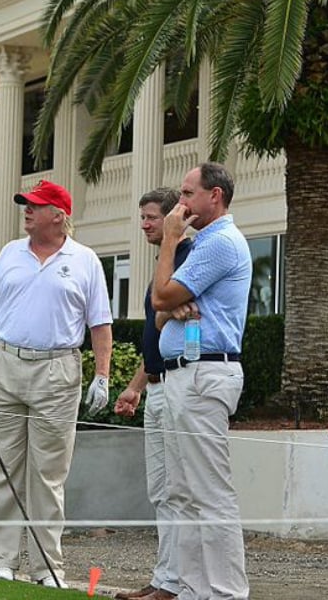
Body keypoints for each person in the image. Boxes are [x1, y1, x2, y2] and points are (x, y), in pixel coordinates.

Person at [0, 179, 113, 589]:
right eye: (26, 205)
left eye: (35, 206)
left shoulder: (84, 260)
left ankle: (48, 568)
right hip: (6, 364)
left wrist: (103, 375)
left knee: (48, 475)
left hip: (57, 372)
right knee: (0, 468)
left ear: (58, 215)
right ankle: (2, 561)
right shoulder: (10, 253)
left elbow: (100, 323)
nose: (26, 211)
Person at [151, 163, 252, 600]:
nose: (180, 204)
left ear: (216, 196)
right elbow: (160, 311)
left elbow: (161, 294)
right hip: (184, 374)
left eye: (188, 194)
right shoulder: (202, 243)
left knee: (208, 492)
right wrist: (172, 305)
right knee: (183, 490)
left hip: (205, 373)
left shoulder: (220, 242)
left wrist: (170, 238)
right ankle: (193, 590)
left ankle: (227, 593)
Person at [113, 188, 193, 600]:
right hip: (157, 387)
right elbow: (158, 329)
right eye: (141, 217)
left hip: (182, 388)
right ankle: (164, 579)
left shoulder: (189, 259)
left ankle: (176, 584)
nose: (144, 224)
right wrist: (134, 386)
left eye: (150, 217)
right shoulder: (166, 262)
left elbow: (184, 319)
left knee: (179, 490)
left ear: (172, 218)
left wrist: (166, 311)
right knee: (161, 490)